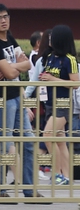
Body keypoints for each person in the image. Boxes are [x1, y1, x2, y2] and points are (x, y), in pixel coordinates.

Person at [0, 3, 39, 200]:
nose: (4, 20)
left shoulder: (10, 38)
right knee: (2, 143)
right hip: (1, 99)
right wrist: (15, 67)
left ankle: (30, 190)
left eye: (6, 16)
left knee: (29, 142)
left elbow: (27, 63)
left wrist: (13, 66)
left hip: (16, 95)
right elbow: (9, 71)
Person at [38, 25, 78, 186]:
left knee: (48, 135)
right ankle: (67, 176)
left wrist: (53, 80)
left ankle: (57, 173)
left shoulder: (70, 59)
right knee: (60, 141)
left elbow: (76, 83)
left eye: (52, 37)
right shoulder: (50, 57)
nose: (49, 40)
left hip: (63, 104)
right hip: (49, 103)